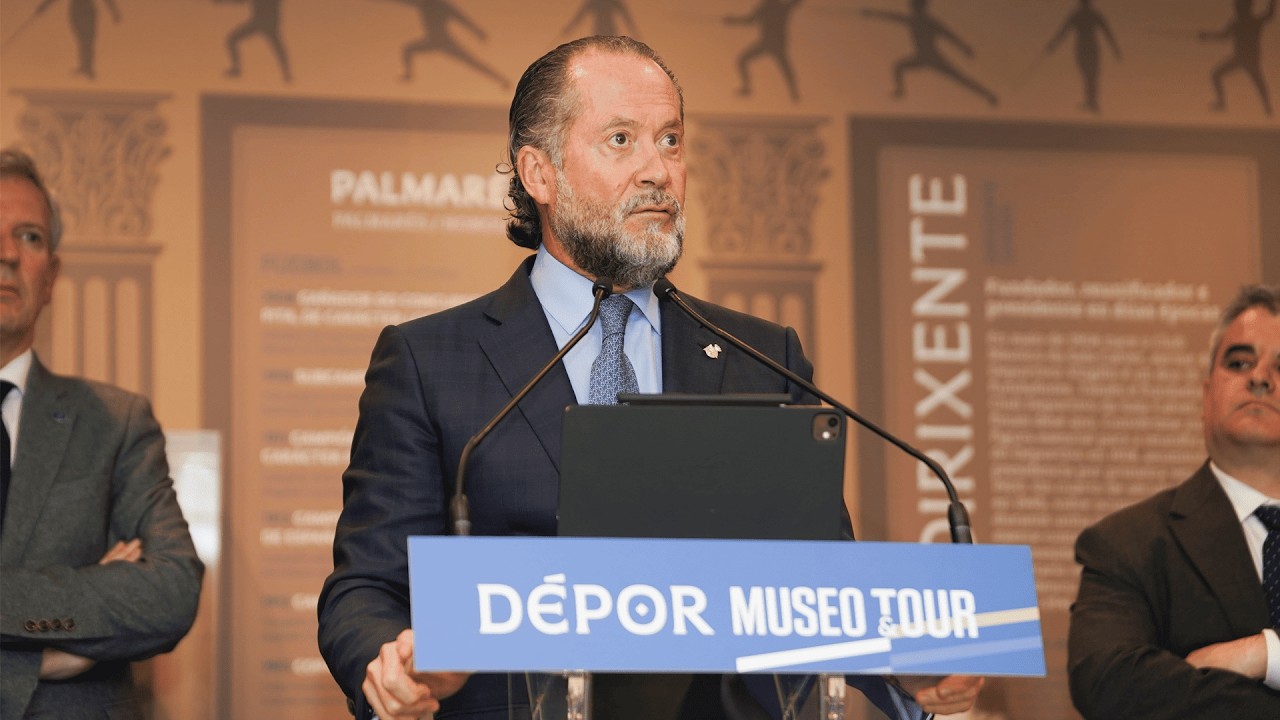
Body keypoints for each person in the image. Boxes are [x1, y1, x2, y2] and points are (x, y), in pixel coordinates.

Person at [317, 36, 983, 720]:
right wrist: (387, 661)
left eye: (670, 140)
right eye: (620, 139)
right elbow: (366, 584)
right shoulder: (431, 361)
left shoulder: (763, 358)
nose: (657, 170)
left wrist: (909, 674)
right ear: (539, 174)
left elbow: (822, 586)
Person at [0, 148, 204, 718]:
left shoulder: (116, 422)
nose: (7, 254)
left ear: (52, 276)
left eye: (30, 237)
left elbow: (171, 591)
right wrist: (35, 658)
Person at [1068, 283, 1280, 718]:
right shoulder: (1128, 543)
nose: (1260, 377)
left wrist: (1265, 654)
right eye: (1239, 362)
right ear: (1205, 397)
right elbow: (1110, 682)